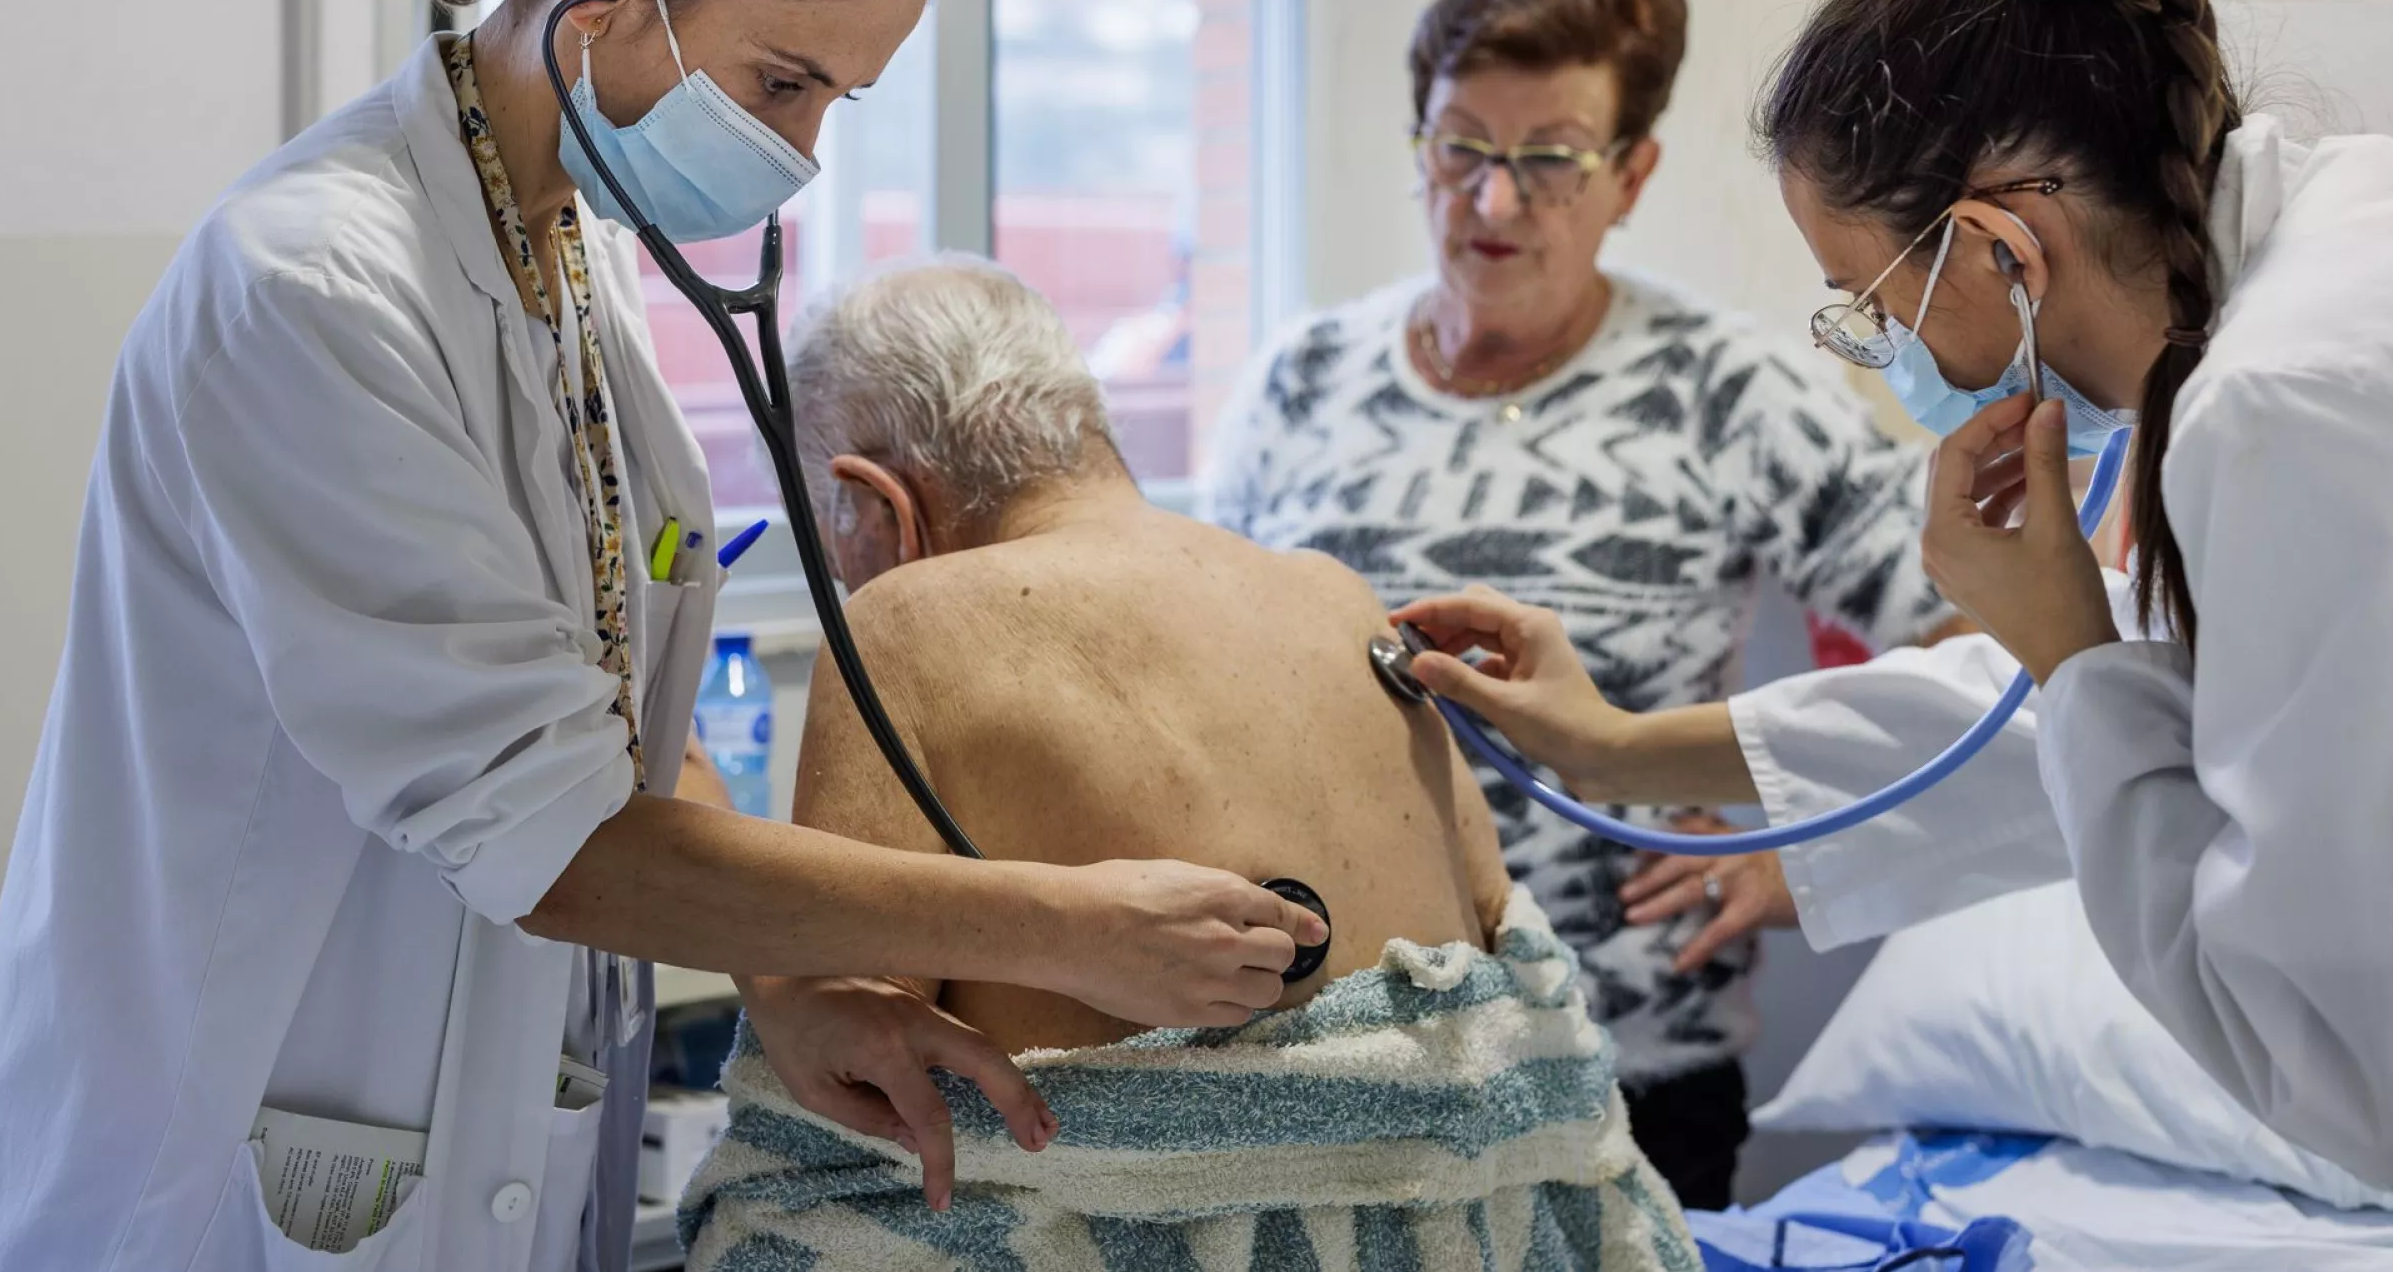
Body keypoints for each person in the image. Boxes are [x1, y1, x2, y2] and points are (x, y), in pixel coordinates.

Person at [0, 0, 1319, 1272]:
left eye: (829, 105)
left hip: (485, 1153)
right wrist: (1062, 923)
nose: (794, 155)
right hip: (209, 1178)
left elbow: (611, 713)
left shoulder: (565, 251)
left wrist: (793, 987)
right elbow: (558, 831)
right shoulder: (316, 287)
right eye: (780, 81)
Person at [1395, 0, 2393, 1190]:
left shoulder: (2280, 411)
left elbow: (2334, 1055)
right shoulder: (2313, 255)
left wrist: (2070, 649)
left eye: (1866, 301)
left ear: (2000, 250)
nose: (1881, 351)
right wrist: (1619, 744)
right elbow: (2123, 711)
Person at [683, 257, 1699, 1268]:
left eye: (831, 540)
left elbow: (841, 1076)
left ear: (872, 504)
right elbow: (1497, 986)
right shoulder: (1334, 596)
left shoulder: (902, 623)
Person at [1207, 0, 1952, 1207]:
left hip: (1625, 1072)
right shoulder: (1301, 381)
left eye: (1550, 158)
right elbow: (1206, 669)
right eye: (1459, 149)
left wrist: (1804, 851)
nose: (1493, 203)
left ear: (1631, 173)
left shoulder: (1730, 388)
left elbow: (1973, 641)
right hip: (1327, 1062)